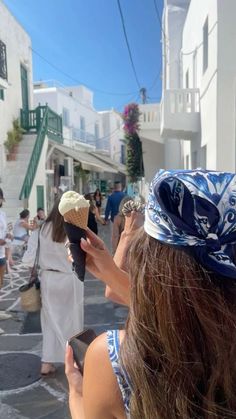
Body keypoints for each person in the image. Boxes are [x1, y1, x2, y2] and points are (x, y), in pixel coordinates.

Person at [65, 169, 236, 419]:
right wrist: (110, 270)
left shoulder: (111, 361)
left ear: (148, 261)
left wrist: (77, 396)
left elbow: (175, 310)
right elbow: (194, 308)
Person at [23, 199, 84, 375]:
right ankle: (73, 360)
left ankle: (47, 363)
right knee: (73, 321)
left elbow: (28, 259)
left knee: (49, 322)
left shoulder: (40, 230)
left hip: (49, 279)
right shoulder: (74, 230)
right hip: (71, 280)